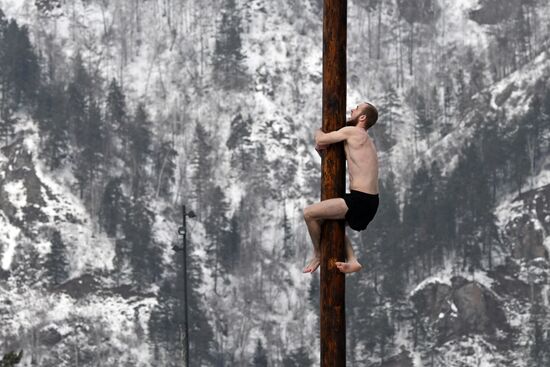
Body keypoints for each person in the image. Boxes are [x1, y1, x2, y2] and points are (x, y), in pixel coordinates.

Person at [303, 101, 379, 274]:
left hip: (360, 199)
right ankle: (352, 260)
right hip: (369, 201)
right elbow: (331, 155)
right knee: (330, 222)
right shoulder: (362, 139)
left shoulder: (353, 132)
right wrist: (321, 149)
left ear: (362, 117)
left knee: (309, 214)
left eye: (357, 109)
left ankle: (317, 254)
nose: (352, 109)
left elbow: (321, 138)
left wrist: (318, 129)